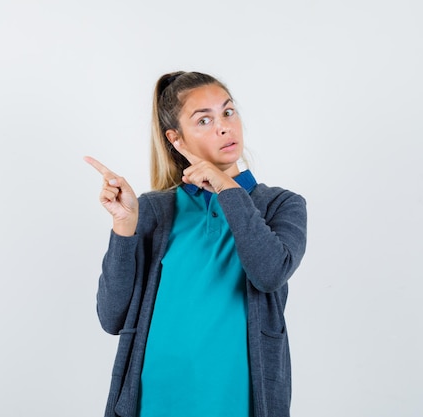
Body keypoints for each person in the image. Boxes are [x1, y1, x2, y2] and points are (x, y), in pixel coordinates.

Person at [84, 71, 307, 417]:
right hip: (154, 402)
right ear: (177, 139)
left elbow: (269, 272)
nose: (223, 127)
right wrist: (124, 227)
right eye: (204, 120)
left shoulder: (281, 205)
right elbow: (112, 317)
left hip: (238, 403)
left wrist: (226, 186)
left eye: (228, 112)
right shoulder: (155, 211)